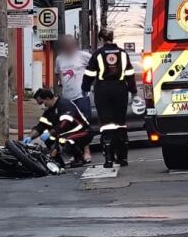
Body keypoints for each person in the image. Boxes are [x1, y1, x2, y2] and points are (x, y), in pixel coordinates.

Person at [82, 28, 139, 168]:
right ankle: (123, 158)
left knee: (107, 123)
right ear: (112, 38)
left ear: (101, 39)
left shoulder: (98, 54)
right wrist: (133, 91)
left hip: (103, 90)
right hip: (120, 89)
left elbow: (89, 73)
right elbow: (130, 74)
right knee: (120, 122)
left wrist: (85, 88)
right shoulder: (123, 54)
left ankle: (108, 159)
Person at [23, 88, 93, 167]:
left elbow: (65, 123)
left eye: (42, 103)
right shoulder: (48, 112)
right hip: (66, 133)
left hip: (83, 131)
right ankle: (58, 161)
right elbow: (40, 126)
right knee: (49, 139)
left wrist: (50, 133)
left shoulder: (64, 104)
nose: (42, 106)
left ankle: (79, 158)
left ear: (47, 98)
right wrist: (30, 137)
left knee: (64, 139)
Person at [54, 35, 93, 162]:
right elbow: (57, 74)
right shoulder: (60, 59)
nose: (68, 48)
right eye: (66, 46)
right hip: (67, 97)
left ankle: (87, 151)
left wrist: (91, 82)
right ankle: (73, 152)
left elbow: (95, 65)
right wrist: (58, 91)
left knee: (83, 124)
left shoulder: (83, 56)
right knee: (68, 126)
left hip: (81, 95)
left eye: (70, 45)